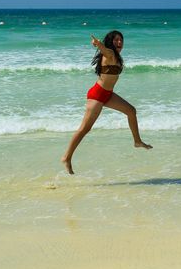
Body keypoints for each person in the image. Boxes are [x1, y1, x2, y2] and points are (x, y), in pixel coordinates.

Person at [61, 30, 152, 174]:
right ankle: (66, 157)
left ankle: (137, 141)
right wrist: (99, 45)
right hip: (97, 94)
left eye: (121, 40)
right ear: (110, 42)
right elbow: (105, 51)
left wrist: (101, 46)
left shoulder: (117, 56)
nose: (119, 42)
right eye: (116, 40)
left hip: (108, 94)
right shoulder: (109, 53)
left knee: (131, 111)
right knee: (85, 129)